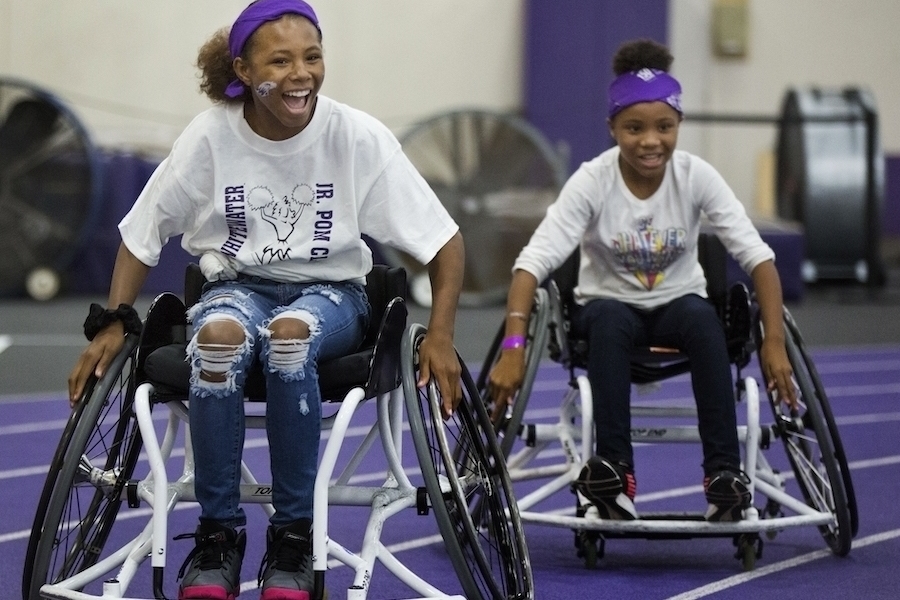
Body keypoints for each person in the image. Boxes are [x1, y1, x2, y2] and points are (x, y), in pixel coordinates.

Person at [67, 1, 465, 598]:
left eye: (313, 56)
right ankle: (218, 535)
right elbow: (140, 233)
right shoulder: (209, 137)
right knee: (218, 339)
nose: (301, 73)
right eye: (281, 60)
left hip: (331, 295)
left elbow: (445, 244)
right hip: (234, 289)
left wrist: (441, 335)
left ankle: (293, 537)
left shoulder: (355, 137)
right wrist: (116, 321)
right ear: (245, 71)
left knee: (290, 338)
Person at [487, 39, 796, 524]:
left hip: (679, 304)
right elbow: (532, 263)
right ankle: (615, 471)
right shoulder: (592, 181)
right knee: (608, 321)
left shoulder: (697, 177)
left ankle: (724, 476)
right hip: (607, 306)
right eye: (634, 128)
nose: (650, 141)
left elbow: (759, 259)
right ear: (612, 129)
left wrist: (773, 339)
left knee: (703, 319)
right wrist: (513, 345)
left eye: (664, 127)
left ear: (678, 127)